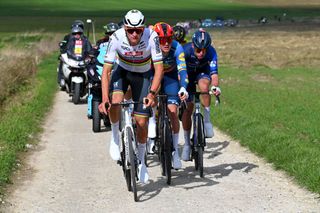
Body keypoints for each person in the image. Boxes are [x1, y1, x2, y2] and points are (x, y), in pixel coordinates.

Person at [99, 9, 164, 183]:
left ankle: (142, 160)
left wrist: (152, 93)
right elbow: (106, 71)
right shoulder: (116, 37)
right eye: (130, 30)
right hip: (122, 72)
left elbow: (159, 69)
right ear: (125, 27)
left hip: (142, 76)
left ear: (143, 28)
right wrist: (104, 97)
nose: (134, 34)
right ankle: (114, 136)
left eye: (138, 30)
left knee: (142, 121)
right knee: (116, 101)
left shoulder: (152, 37)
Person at [148, 22, 188, 169]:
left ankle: (175, 152)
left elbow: (182, 70)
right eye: (162, 39)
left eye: (169, 39)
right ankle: (152, 120)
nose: (166, 43)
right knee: (152, 97)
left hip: (170, 77)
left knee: (173, 112)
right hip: (154, 75)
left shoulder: (177, 47)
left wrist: (183, 87)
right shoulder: (150, 45)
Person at [181, 29, 221, 161]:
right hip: (187, 75)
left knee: (204, 87)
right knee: (188, 109)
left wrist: (215, 86)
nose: (201, 53)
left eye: (204, 50)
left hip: (202, 73)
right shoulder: (185, 50)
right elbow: (179, 71)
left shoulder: (212, 52)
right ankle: (187, 144)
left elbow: (214, 74)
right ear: (193, 45)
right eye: (198, 50)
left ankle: (207, 120)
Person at [57, 20, 90, 88]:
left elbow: (88, 47)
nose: (77, 32)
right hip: (71, 56)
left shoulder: (85, 38)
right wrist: (63, 49)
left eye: (79, 28)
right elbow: (64, 44)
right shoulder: (67, 37)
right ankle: (61, 79)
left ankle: (89, 81)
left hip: (81, 57)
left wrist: (90, 53)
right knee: (61, 61)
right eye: (76, 28)